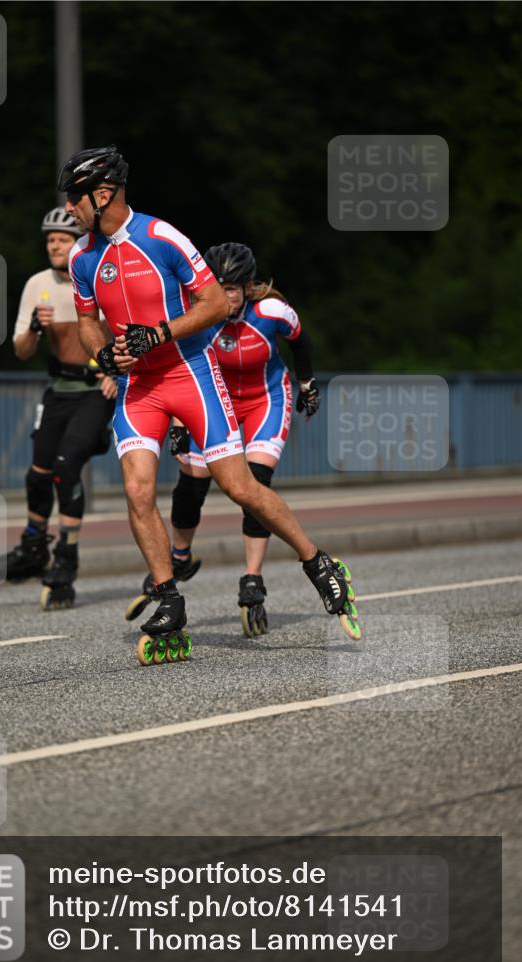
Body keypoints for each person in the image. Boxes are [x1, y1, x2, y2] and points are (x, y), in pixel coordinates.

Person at [60, 145, 360, 661]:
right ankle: (169, 599)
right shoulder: (81, 256)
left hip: (189, 373)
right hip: (140, 387)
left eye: (75, 198)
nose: (69, 208)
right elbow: (87, 321)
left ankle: (318, 563)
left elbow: (217, 303)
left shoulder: (162, 236)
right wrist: (102, 353)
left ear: (102, 194)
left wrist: (159, 334)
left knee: (240, 487)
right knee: (137, 489)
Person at [125, 242, 323, 638]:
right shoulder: (198, 316)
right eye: (219, 287)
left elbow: (301, 342)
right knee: (191, 481)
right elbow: (180, 370)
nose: (226, 296)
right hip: (216, 400)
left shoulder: (272, 312)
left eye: (232, 288)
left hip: (266, 399)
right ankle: (180, 557)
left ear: (248, 287)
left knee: (255, 483)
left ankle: (252, 577)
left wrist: (306, 384)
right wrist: (179, 423)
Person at [0, 207, 117, 610]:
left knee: (65, 466)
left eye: (62, 239)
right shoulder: (37, 285)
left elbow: (130, 330)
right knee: (37, 474)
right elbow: (21, 351)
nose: (54, 245)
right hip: (58, 391)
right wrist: (36, 330)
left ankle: (66, 560)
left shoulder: (100, 278)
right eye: (50, 240)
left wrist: (118, 374)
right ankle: (33, 545)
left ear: (79, 242)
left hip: (96, 391)